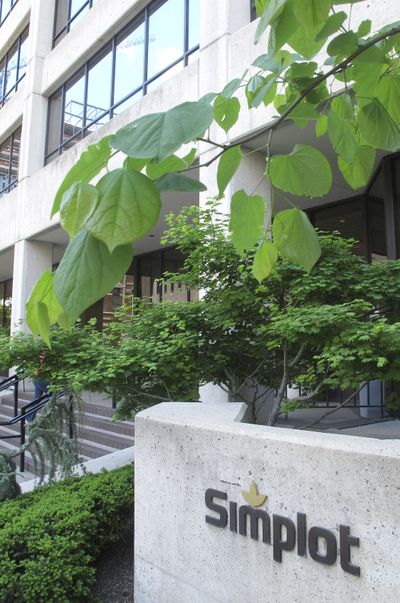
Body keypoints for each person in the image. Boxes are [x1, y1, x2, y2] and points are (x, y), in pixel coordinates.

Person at [27, 352, 50, 423]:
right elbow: (37, 369)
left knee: (37, 399)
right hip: (41, 379)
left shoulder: (37, 356)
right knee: (51, 395)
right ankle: (49, 417)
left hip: (37, 379)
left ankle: (29, 418)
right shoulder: (42, 357)